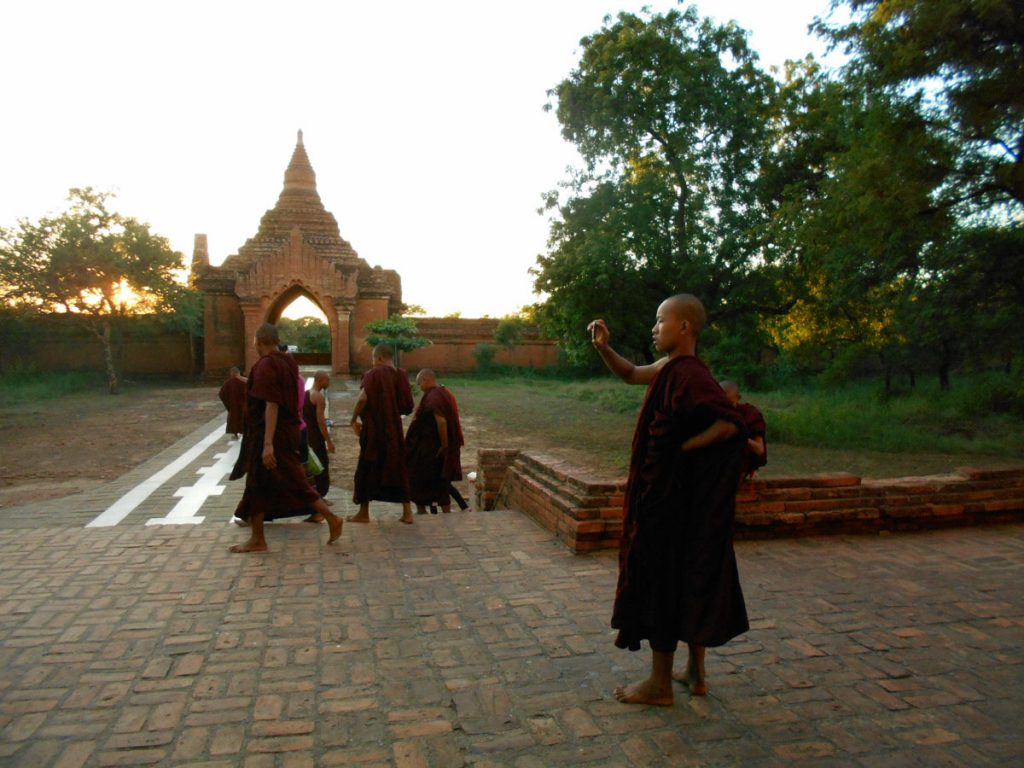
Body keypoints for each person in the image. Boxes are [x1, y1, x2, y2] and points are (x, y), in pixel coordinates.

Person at [588, 294, 749, 706]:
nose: (654, 327)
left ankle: (660, 684)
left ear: (684, 327)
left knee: (660, 578)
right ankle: (695, 671)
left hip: (670, 502)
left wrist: (683, 448)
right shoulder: (670, 368)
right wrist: (604, 348)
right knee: (687, 575)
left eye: (661, 320)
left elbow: (732, 424)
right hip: (670, 496)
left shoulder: (691, 375)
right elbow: (629, 374)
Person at [228, 323, 342, 553]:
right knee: (266, 483)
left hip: (271, 435)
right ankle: (259, 537)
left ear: (258, 341)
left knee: (275, 481)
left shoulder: (267, 365)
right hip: (288, 432)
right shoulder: (288, 362)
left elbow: (272, 404)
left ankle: (329, 517)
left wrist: (268, 443)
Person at [349, 344, 415, 524]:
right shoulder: (401, 375)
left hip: (375, 431)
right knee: (397, 468)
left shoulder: (373, 374)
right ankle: (407, 513)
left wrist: (353, 418)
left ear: (378, 358)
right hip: (394, 431)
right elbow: (408, 406)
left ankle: (363, 513)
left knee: (367, 468)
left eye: (373, 359)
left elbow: (363, 398)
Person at [406, 369, 464, 514]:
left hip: (431, 448)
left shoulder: (434, 397)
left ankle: (423, 511)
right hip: (430, 446)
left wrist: (444, 445)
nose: (420, 387)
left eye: (420, 383)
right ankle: (442, 512)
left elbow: (442, 421)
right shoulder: (442, 393)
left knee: (422, 479)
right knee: (439, 482)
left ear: (426, 379)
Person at [720, 380, 767, 484]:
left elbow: (759, 449)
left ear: (738, 398)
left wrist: (739, 437)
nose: (726, 408)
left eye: (729, 403)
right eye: (722, 404)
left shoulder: (749, 414)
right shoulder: (714, 412)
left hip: (737, 467)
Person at [303, 370, 335, 500]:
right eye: (327, 380)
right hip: (315, 437)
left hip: (305, 435)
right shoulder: (319, 397)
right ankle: (319, 497)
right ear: (321, 380)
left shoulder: (305, 394)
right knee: (321, 465)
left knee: (311, 466)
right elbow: (320, 421)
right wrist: (328, 440)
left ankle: (314, 496)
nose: (328, 382)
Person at [218, 366, 247, 438]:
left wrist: (228, 404)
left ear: (232, 373)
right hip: (244, 404)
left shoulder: (228, 383)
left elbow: (222, 394)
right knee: (245, 419)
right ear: (239, 373)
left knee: (234, 419)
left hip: (234, 405)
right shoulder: (244, 381)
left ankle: (235, 434)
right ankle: (246, 433)